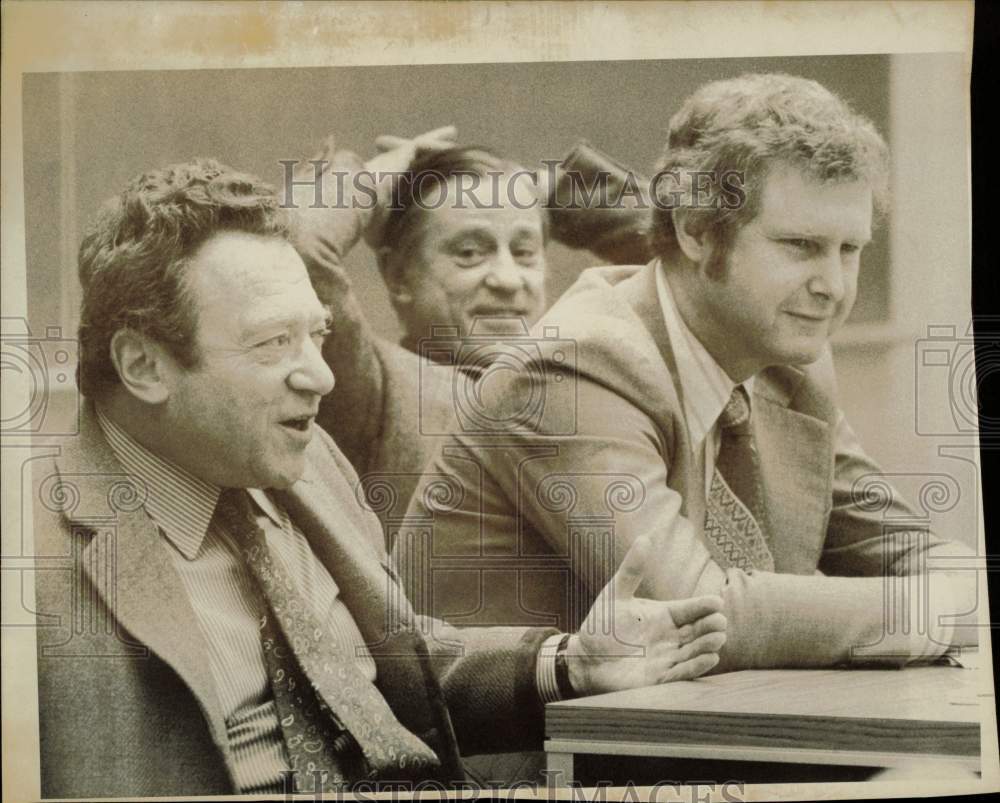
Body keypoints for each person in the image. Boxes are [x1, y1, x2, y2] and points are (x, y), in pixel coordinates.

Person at [32, 159, 726, 798]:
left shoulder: (307, 464)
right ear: (143, 365)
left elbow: (389, 672)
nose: (321, 376)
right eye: (274, 343)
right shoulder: (31, 558)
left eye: (318, 335)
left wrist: (568, 662)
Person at [402, 73, 977, 670]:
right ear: (697, 232)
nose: (831, 287)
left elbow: (900, 545)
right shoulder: (569, 368)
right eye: (800, 246)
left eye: (849, 250)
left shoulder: (789, 356)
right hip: (538, 756)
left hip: (697, 734)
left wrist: (955, 591)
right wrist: (932, 612)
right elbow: (693, 614)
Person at [288, 131, 650, 535]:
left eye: (524, 252)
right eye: (470, 253)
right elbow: (298, 247)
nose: (508, 280)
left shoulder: (592, 381)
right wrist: (369, 181)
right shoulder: (374, 387)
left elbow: (697, 258)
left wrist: (550, 189)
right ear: (397, 276)